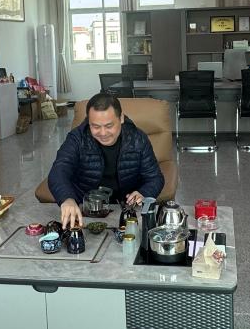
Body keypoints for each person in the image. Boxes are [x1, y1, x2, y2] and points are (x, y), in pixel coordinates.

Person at [48, 92, 165, 228]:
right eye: (95, 126)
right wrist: (67, 199)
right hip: (86, 210)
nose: (103, 133)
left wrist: (144, 193)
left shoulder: (138, 139)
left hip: (126, 210)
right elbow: (58, 172)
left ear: (121, 118)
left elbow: (155, 178)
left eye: (109, 126)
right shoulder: (77, 138)